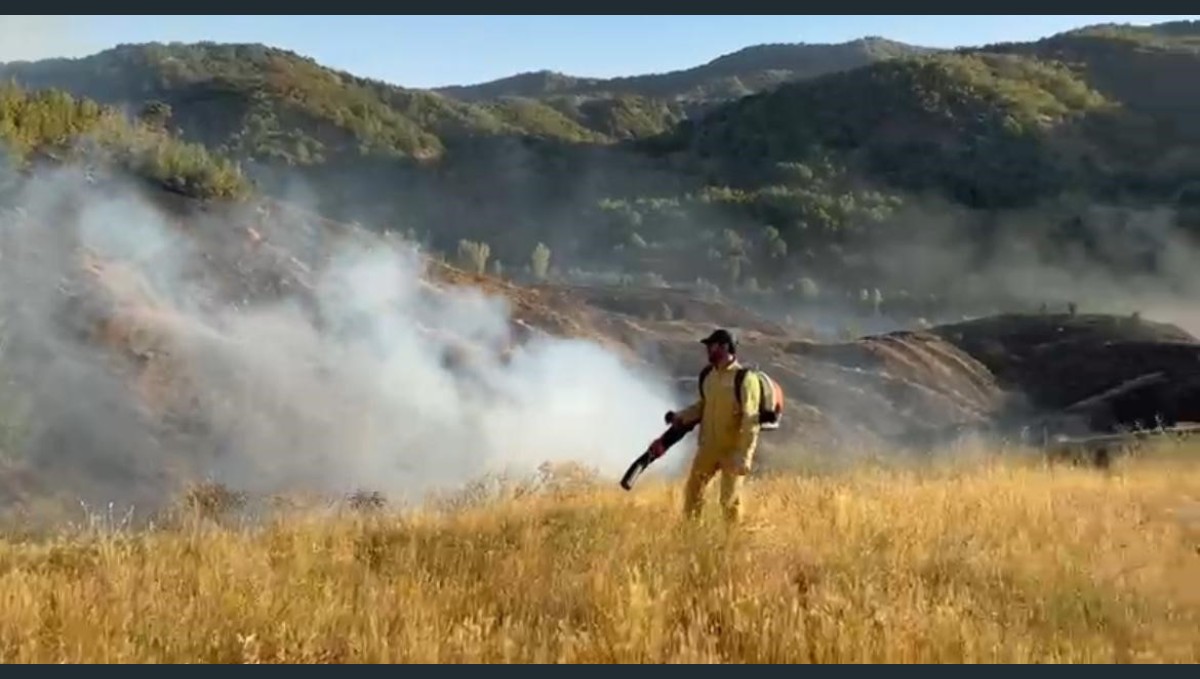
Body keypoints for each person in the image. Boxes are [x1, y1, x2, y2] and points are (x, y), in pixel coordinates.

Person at [657, 328, 762, 524]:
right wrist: (680, 417)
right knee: (693, 493)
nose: (707, 351)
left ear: (724, 347)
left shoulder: (745, 379)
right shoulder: (709, 376)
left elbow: (751, 419)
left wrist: (745, 456)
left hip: (733, 450)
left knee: (729, 501)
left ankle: (732, 544)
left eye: (711, 346)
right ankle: (691, 536)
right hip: (708, 448)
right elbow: (703, 406)